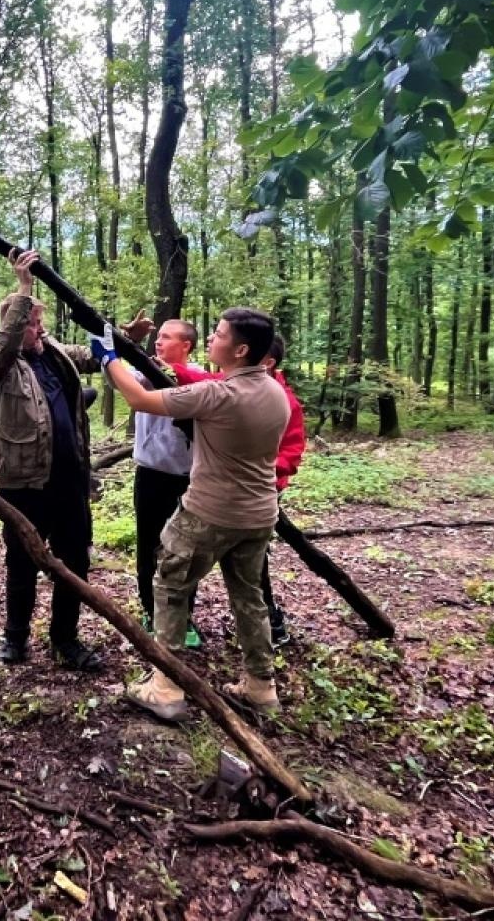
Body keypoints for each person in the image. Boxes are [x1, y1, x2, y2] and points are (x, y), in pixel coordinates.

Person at [95, 308, 289, 722]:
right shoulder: (273, 390)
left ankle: (165, 687)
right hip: (258, 515)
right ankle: (261, 684)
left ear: (240, 349)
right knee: (249, 595)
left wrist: (109, 357)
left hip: (210, 511)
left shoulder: (218, 395)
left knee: (169, 583)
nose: (211, 339)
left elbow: (139, 398)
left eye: (218, 334)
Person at [0, 250, 106, 673]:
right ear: (12, 325)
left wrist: (126, 338)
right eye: (30, 323)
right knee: (23, 559)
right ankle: (15, 637)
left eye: (39, 322)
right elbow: (4, 346)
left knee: (75, 563)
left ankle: (65, 639)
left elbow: (94, 355)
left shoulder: (54, 354)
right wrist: (24, 288)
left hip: (70, 481)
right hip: (24, 484)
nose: (38, 328)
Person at [132, 319, 210, 649]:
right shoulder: (143, 372)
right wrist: (129, 343)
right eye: (157, 337)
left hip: (188, 481)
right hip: (150, 477)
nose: (159, 342)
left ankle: (183, 616)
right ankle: (152, 613)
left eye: (166, 337)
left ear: (186, 345)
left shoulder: (200, 379)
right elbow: (117, 377)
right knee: (150, 546)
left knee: (186, 550)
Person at [262, 334, 306, 646]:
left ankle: (272, 623)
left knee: (252, 561)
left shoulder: (284, 400)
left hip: (261, 489)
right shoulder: (234, 383)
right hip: (239, 486)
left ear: (267, 362)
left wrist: (258, 467)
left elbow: (291, 453)